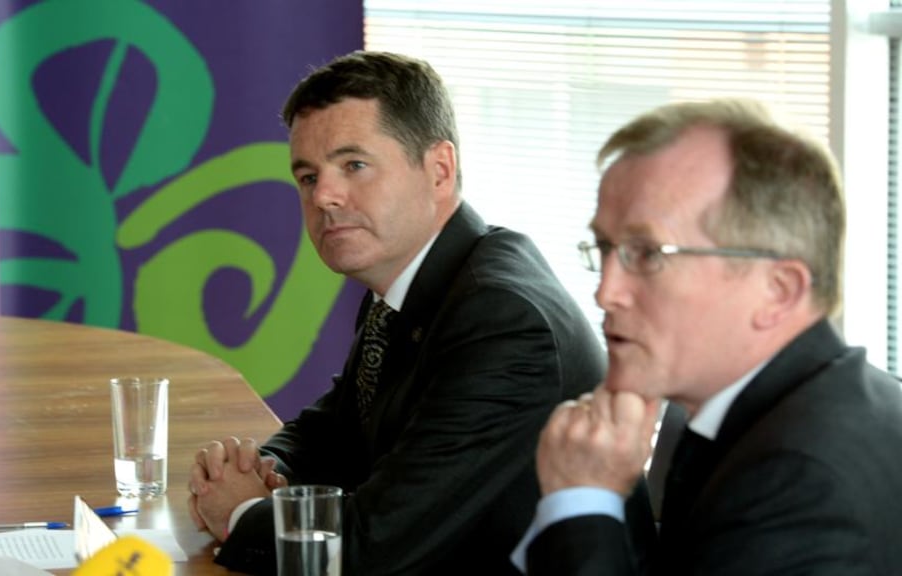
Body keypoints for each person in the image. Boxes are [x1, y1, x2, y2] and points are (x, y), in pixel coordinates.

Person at [186, 50, 606, 576]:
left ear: (439, 170)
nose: (325, 197)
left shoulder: (502, 320)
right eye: (308, 176)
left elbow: (373, 547)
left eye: (353, 165)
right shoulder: (416, 278)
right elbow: (337, 427)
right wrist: (264, 470)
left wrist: (243, 512)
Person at [512, 97, 902, 575]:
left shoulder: (801, 483)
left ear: (777, 291)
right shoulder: (781, 412)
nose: (605, 291)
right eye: (606, 248)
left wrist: (581, 501)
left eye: (647, 253)